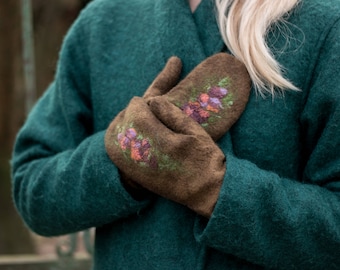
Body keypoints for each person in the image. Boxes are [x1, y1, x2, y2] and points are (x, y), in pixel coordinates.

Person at [11, 0, 340, 269]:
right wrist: (127, 159)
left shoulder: (323, 24)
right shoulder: (104, 22)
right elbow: (33, 186)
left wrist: (215, 188)